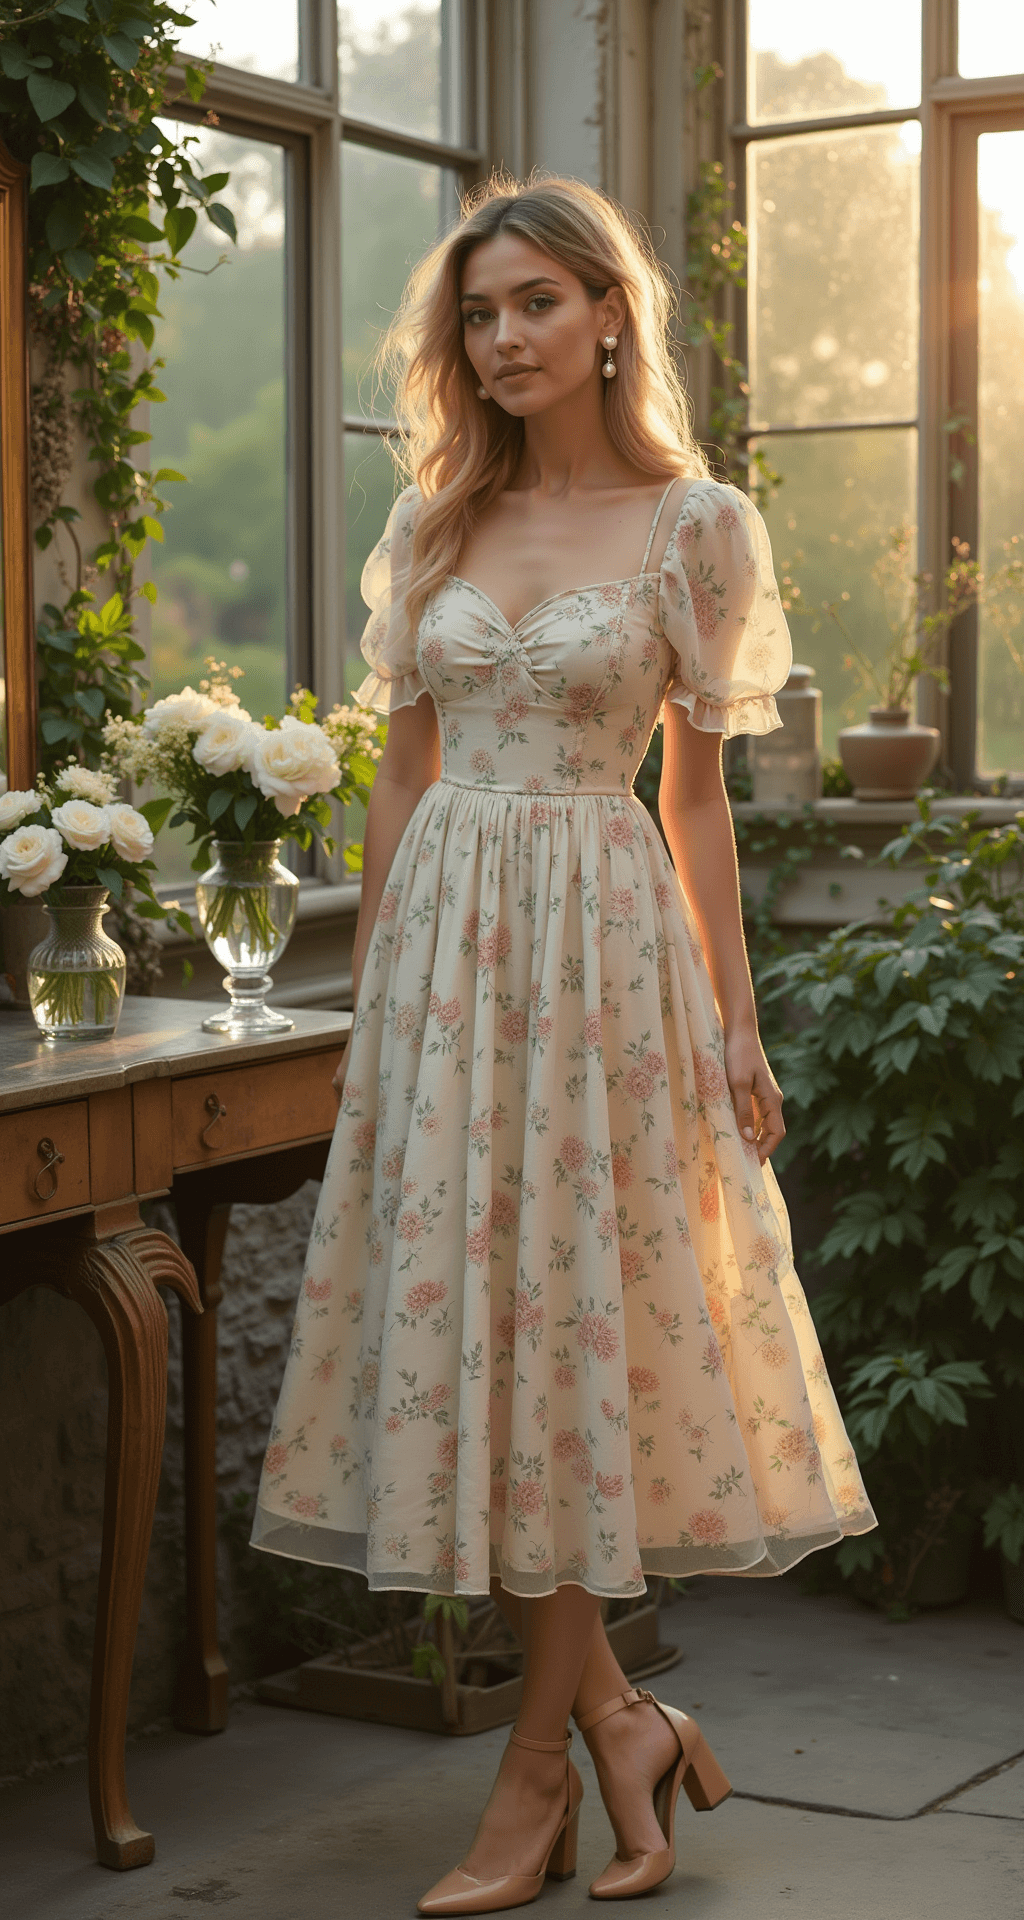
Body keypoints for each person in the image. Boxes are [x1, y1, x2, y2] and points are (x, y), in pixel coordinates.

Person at [251, 172, 877, 1912]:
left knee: (577, 1332)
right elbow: (396, 773)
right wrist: (376, 995)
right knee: (490, 1344)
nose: (504, 337)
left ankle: (539, 1768)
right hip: (450, 962)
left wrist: (736, 1025)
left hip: (607, 963)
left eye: (536, 303)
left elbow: (699, 804)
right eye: (478, 311)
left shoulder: (697, 525)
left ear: (611, 316)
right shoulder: (435, 523)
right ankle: (620, 1725)